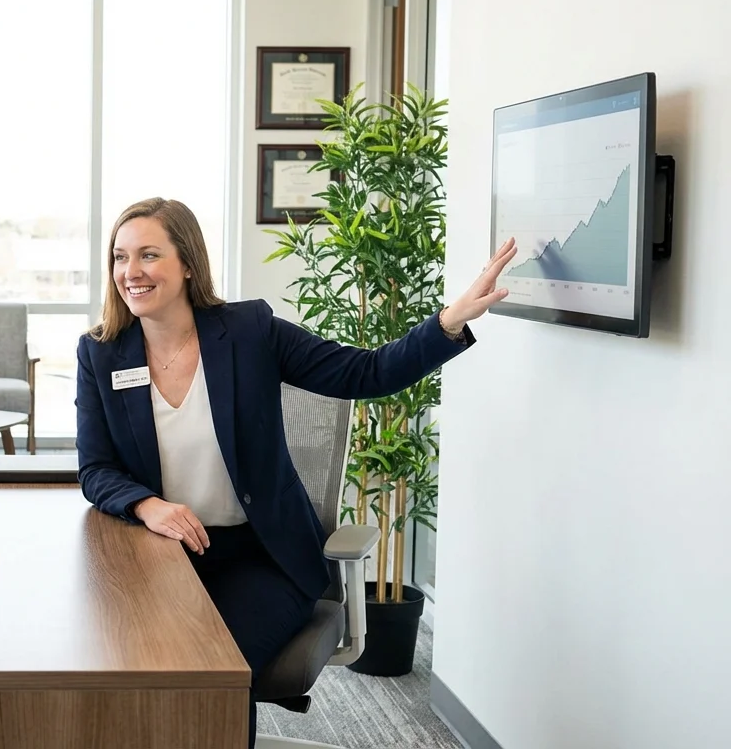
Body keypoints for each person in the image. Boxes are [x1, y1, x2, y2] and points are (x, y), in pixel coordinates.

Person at [74, 197, 515, 746]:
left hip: (262, 557)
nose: (130, 272)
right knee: (126, 677)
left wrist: (447, 323)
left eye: (148, 255)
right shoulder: (101, 354)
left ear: (187, 262)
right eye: (120, 257)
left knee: (215, 673)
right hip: (163, 559)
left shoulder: (249, 332)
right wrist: (148, 505)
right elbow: (95, 469)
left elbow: (367, 372)